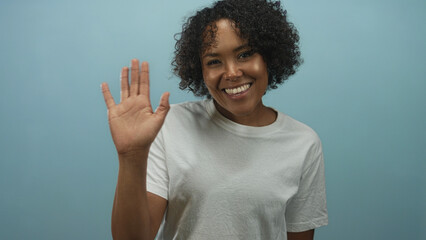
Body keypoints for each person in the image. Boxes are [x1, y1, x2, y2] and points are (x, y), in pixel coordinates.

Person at [101, 0, 328, 239]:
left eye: (245, 54)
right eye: (214, 61)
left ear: (268, 57)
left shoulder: (303, 143)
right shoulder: (171, 125)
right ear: (200, 71)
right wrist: (132, 156)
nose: (231, 73)